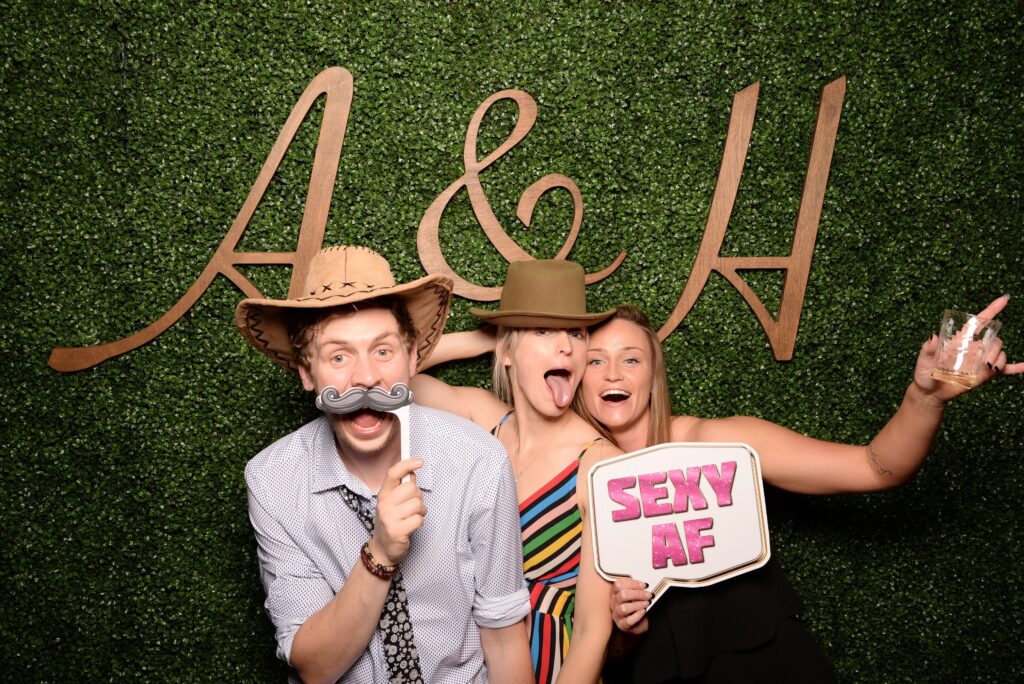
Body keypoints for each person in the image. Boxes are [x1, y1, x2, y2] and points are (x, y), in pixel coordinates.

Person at [581, 301, 1019, 683]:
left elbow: (876, 467)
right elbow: (595, 646)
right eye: (595, 361)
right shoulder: (571, 483)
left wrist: (926, 399)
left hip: (765, 665)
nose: (613, 373)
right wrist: (624, 628)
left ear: (654, 375)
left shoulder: (717, 443)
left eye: (631, 359)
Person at [236, 245, 533, 684]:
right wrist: (380, 553)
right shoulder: (273, 480)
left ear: (413, 358)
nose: (365, 378)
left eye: (382, 351)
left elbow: (505, 641)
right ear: (306, 372)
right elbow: (314, 667)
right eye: (339, 356)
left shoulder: (478, 460)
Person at [411, 259, 622, 684]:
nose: (565, 347)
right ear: (507, 352)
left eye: (576, 335)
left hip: (555, 665)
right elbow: (390, 376)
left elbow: (592, 631)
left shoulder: (601, 464)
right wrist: (487, 339)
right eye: (542, 331)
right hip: (467, 659)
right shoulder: (484, 421)